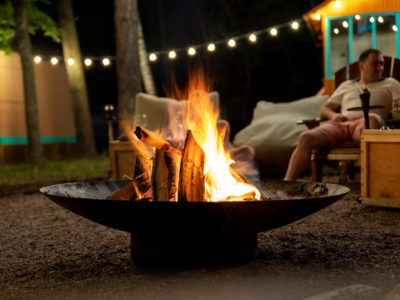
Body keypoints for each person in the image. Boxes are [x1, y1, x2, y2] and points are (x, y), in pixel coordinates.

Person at [284, 48, 400, 181]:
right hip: (341, 123)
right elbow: (325, 108)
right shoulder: (346, 85)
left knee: (373, 120)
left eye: (382, 64)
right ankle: (286, 185)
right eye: (375, 64)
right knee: (306, 137)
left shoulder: (391, 83)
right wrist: (333, 116)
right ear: (362, 66)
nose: (380, 68)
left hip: (367, 122)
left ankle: (375, 183)